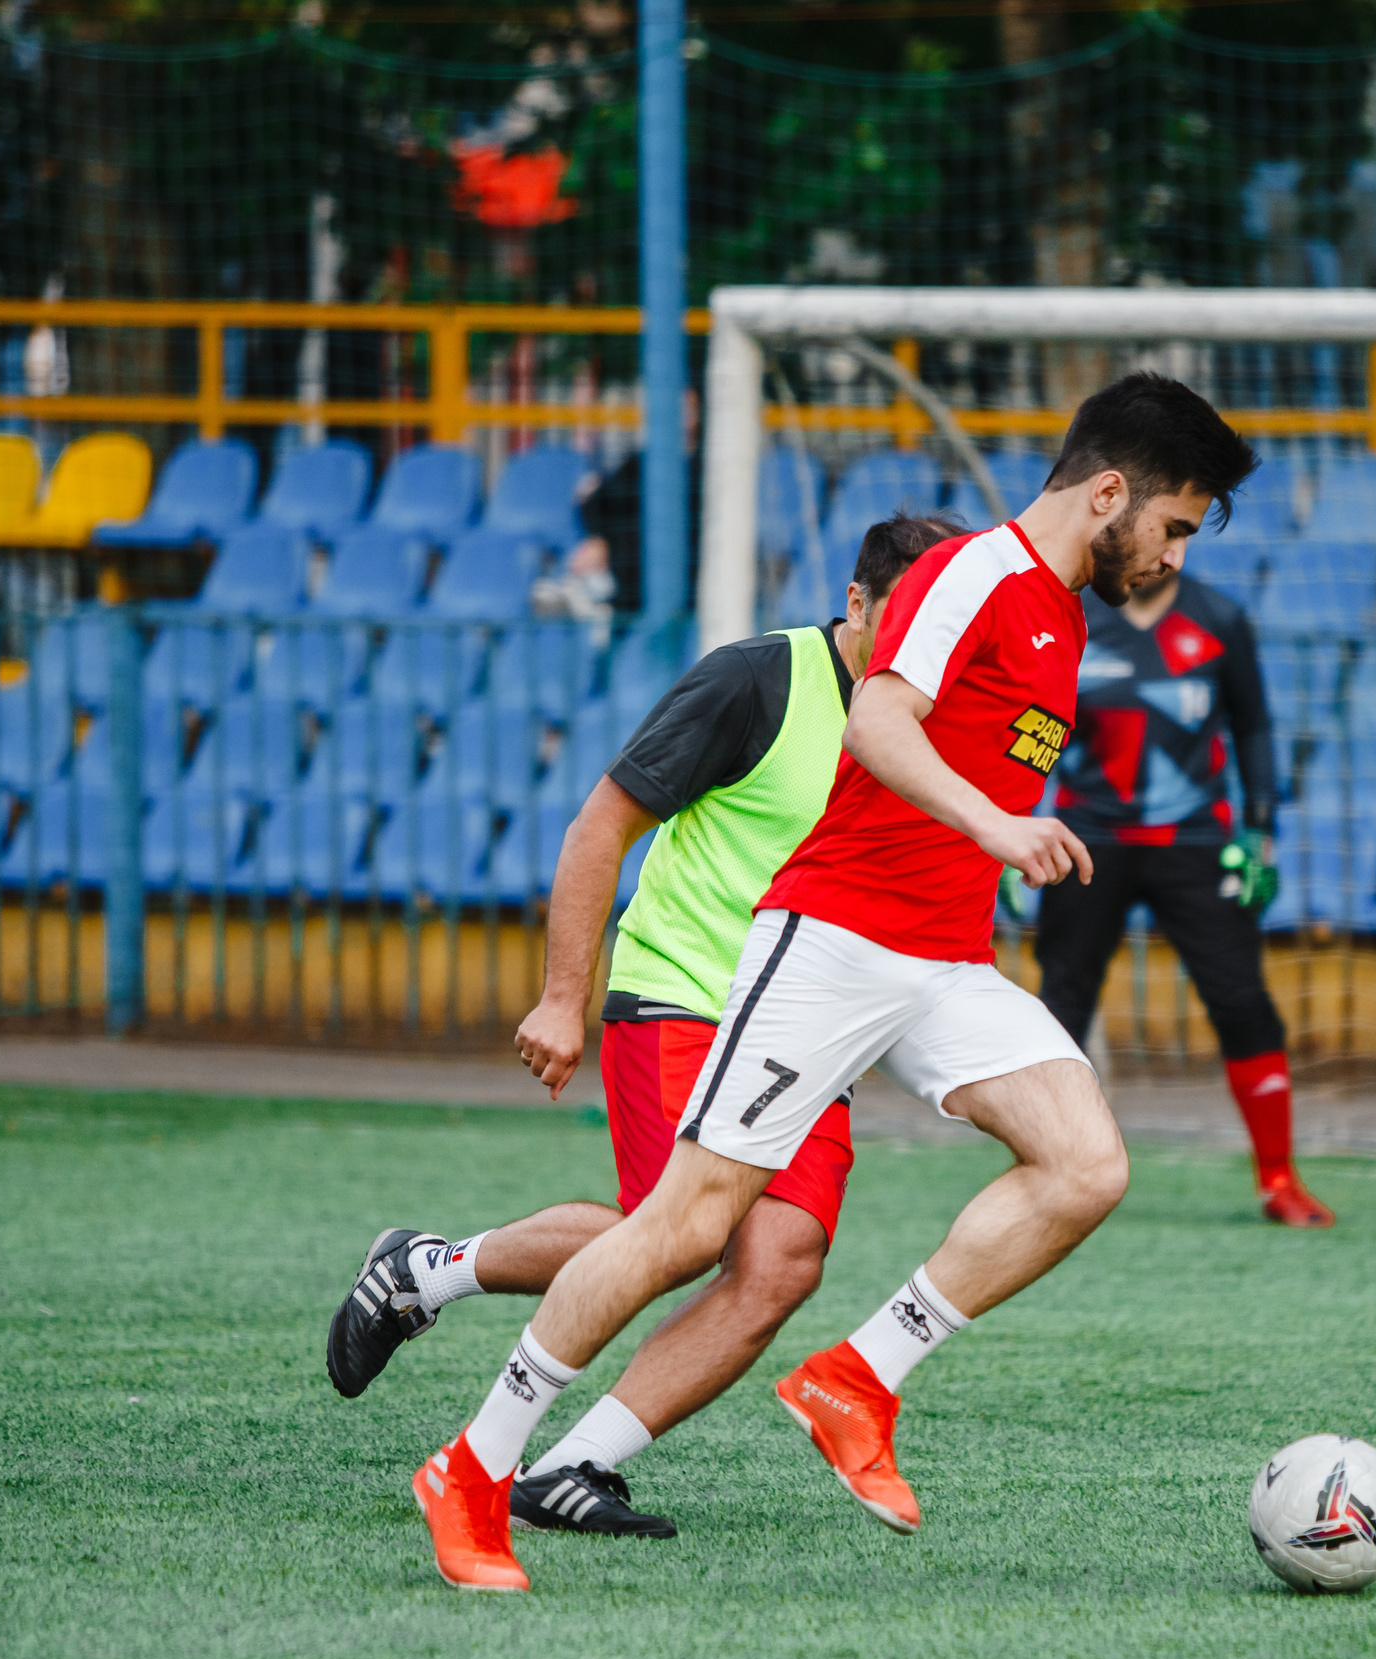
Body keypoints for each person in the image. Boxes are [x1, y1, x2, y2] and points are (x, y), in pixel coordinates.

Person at [409, 373, 1259, 1593]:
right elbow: (878, 724)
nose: (1173, 555)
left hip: (942, 962)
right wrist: (998, 826)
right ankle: (473, 1466)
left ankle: (859, 1376)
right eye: (1172, 525)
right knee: (685, 1229)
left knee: (1086, 1166)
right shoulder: (971, 573)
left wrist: (994, 837)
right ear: (1109, 492)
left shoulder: (1063, 616)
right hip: (834, 942)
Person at [330, 514, 958, 1539]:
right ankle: (426, 1273)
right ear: (856, 602)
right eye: (912, 613)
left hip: (809, 1028)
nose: (931, 640)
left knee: (782, 1261)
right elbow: (601, 825)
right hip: (686, 994)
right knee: (672, 1234)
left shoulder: (937, 717)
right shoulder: (756, 679)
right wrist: (560, 997)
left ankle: (574, 1463)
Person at [1035, 560, 1334, 1228]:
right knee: (1061, 1004)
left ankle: (1279, 1180)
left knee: (1242, 1001)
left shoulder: (1220, 618)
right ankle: (1045, 1168)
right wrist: (1012, 815)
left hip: (1197, 842)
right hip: (1086, 840)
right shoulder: (1075, 617)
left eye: (1178, 535)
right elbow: (1032, 722)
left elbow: (1252, 726)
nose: (1164, 550)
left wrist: (1260, 828)